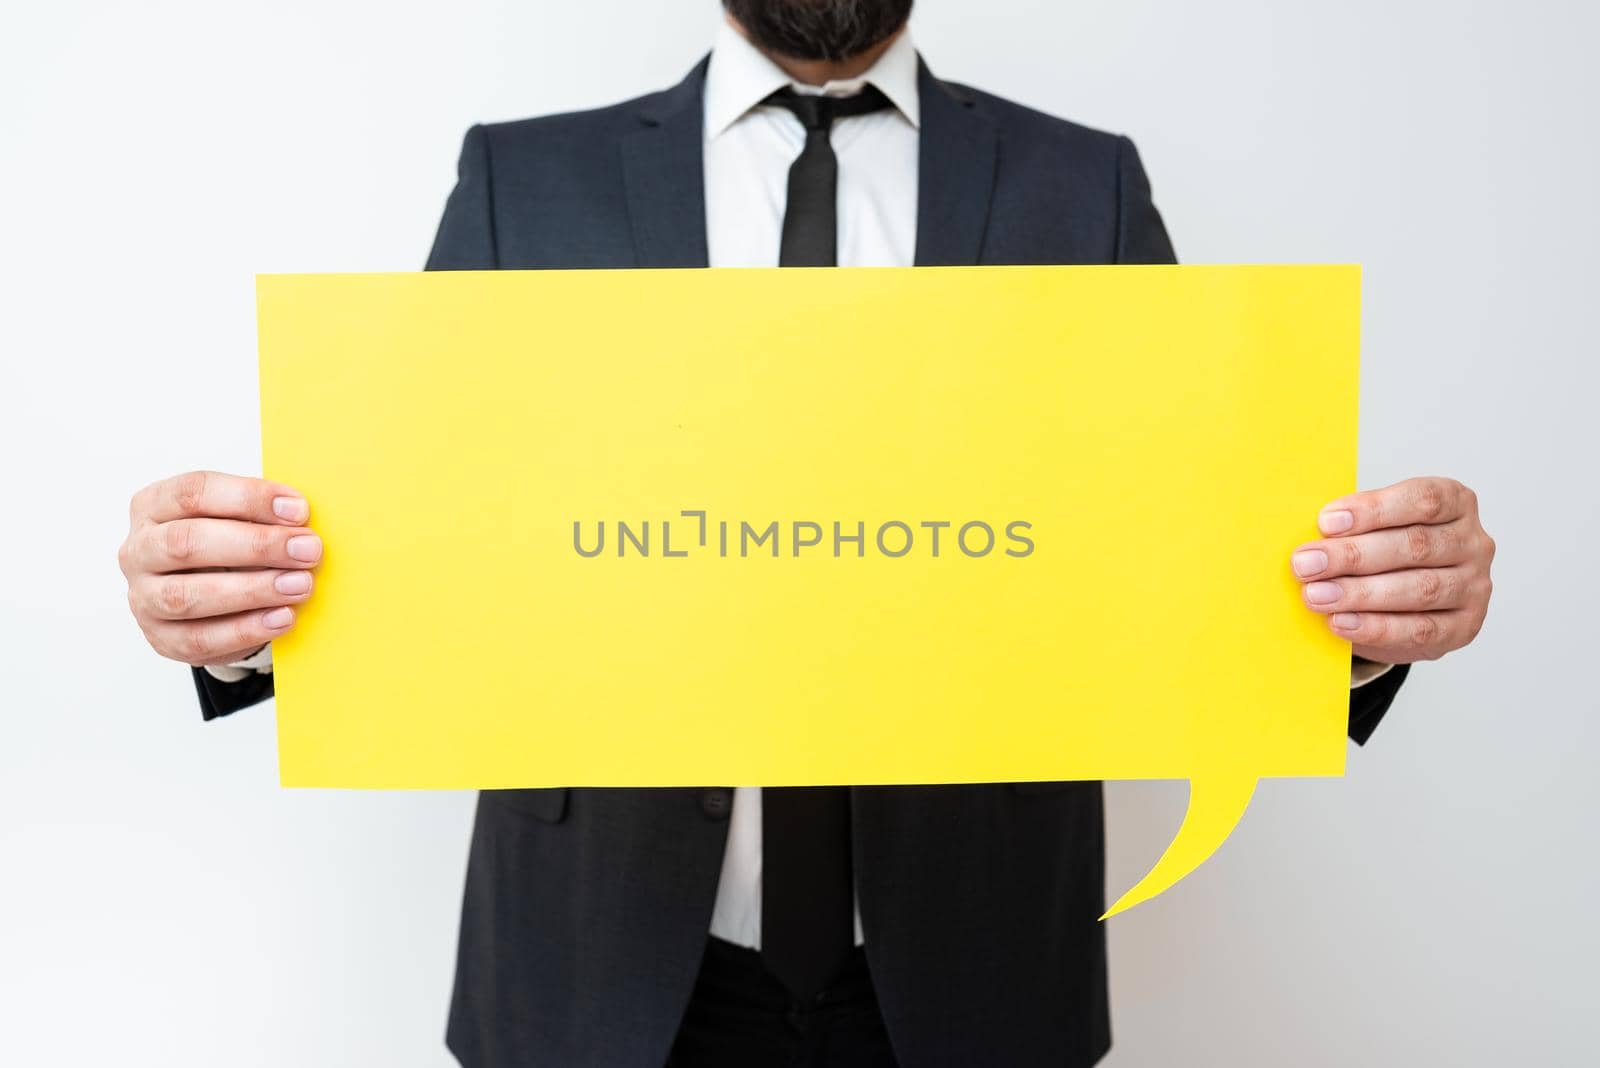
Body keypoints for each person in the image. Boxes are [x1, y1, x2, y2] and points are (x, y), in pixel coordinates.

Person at [116, 2, 1496, 1065]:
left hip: (974, 969)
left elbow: (1180, 573)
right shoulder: (520, 183)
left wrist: (1369, 627)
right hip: (601, 964)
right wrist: (231, 620)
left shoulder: (1086, 187)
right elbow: (423, 560)